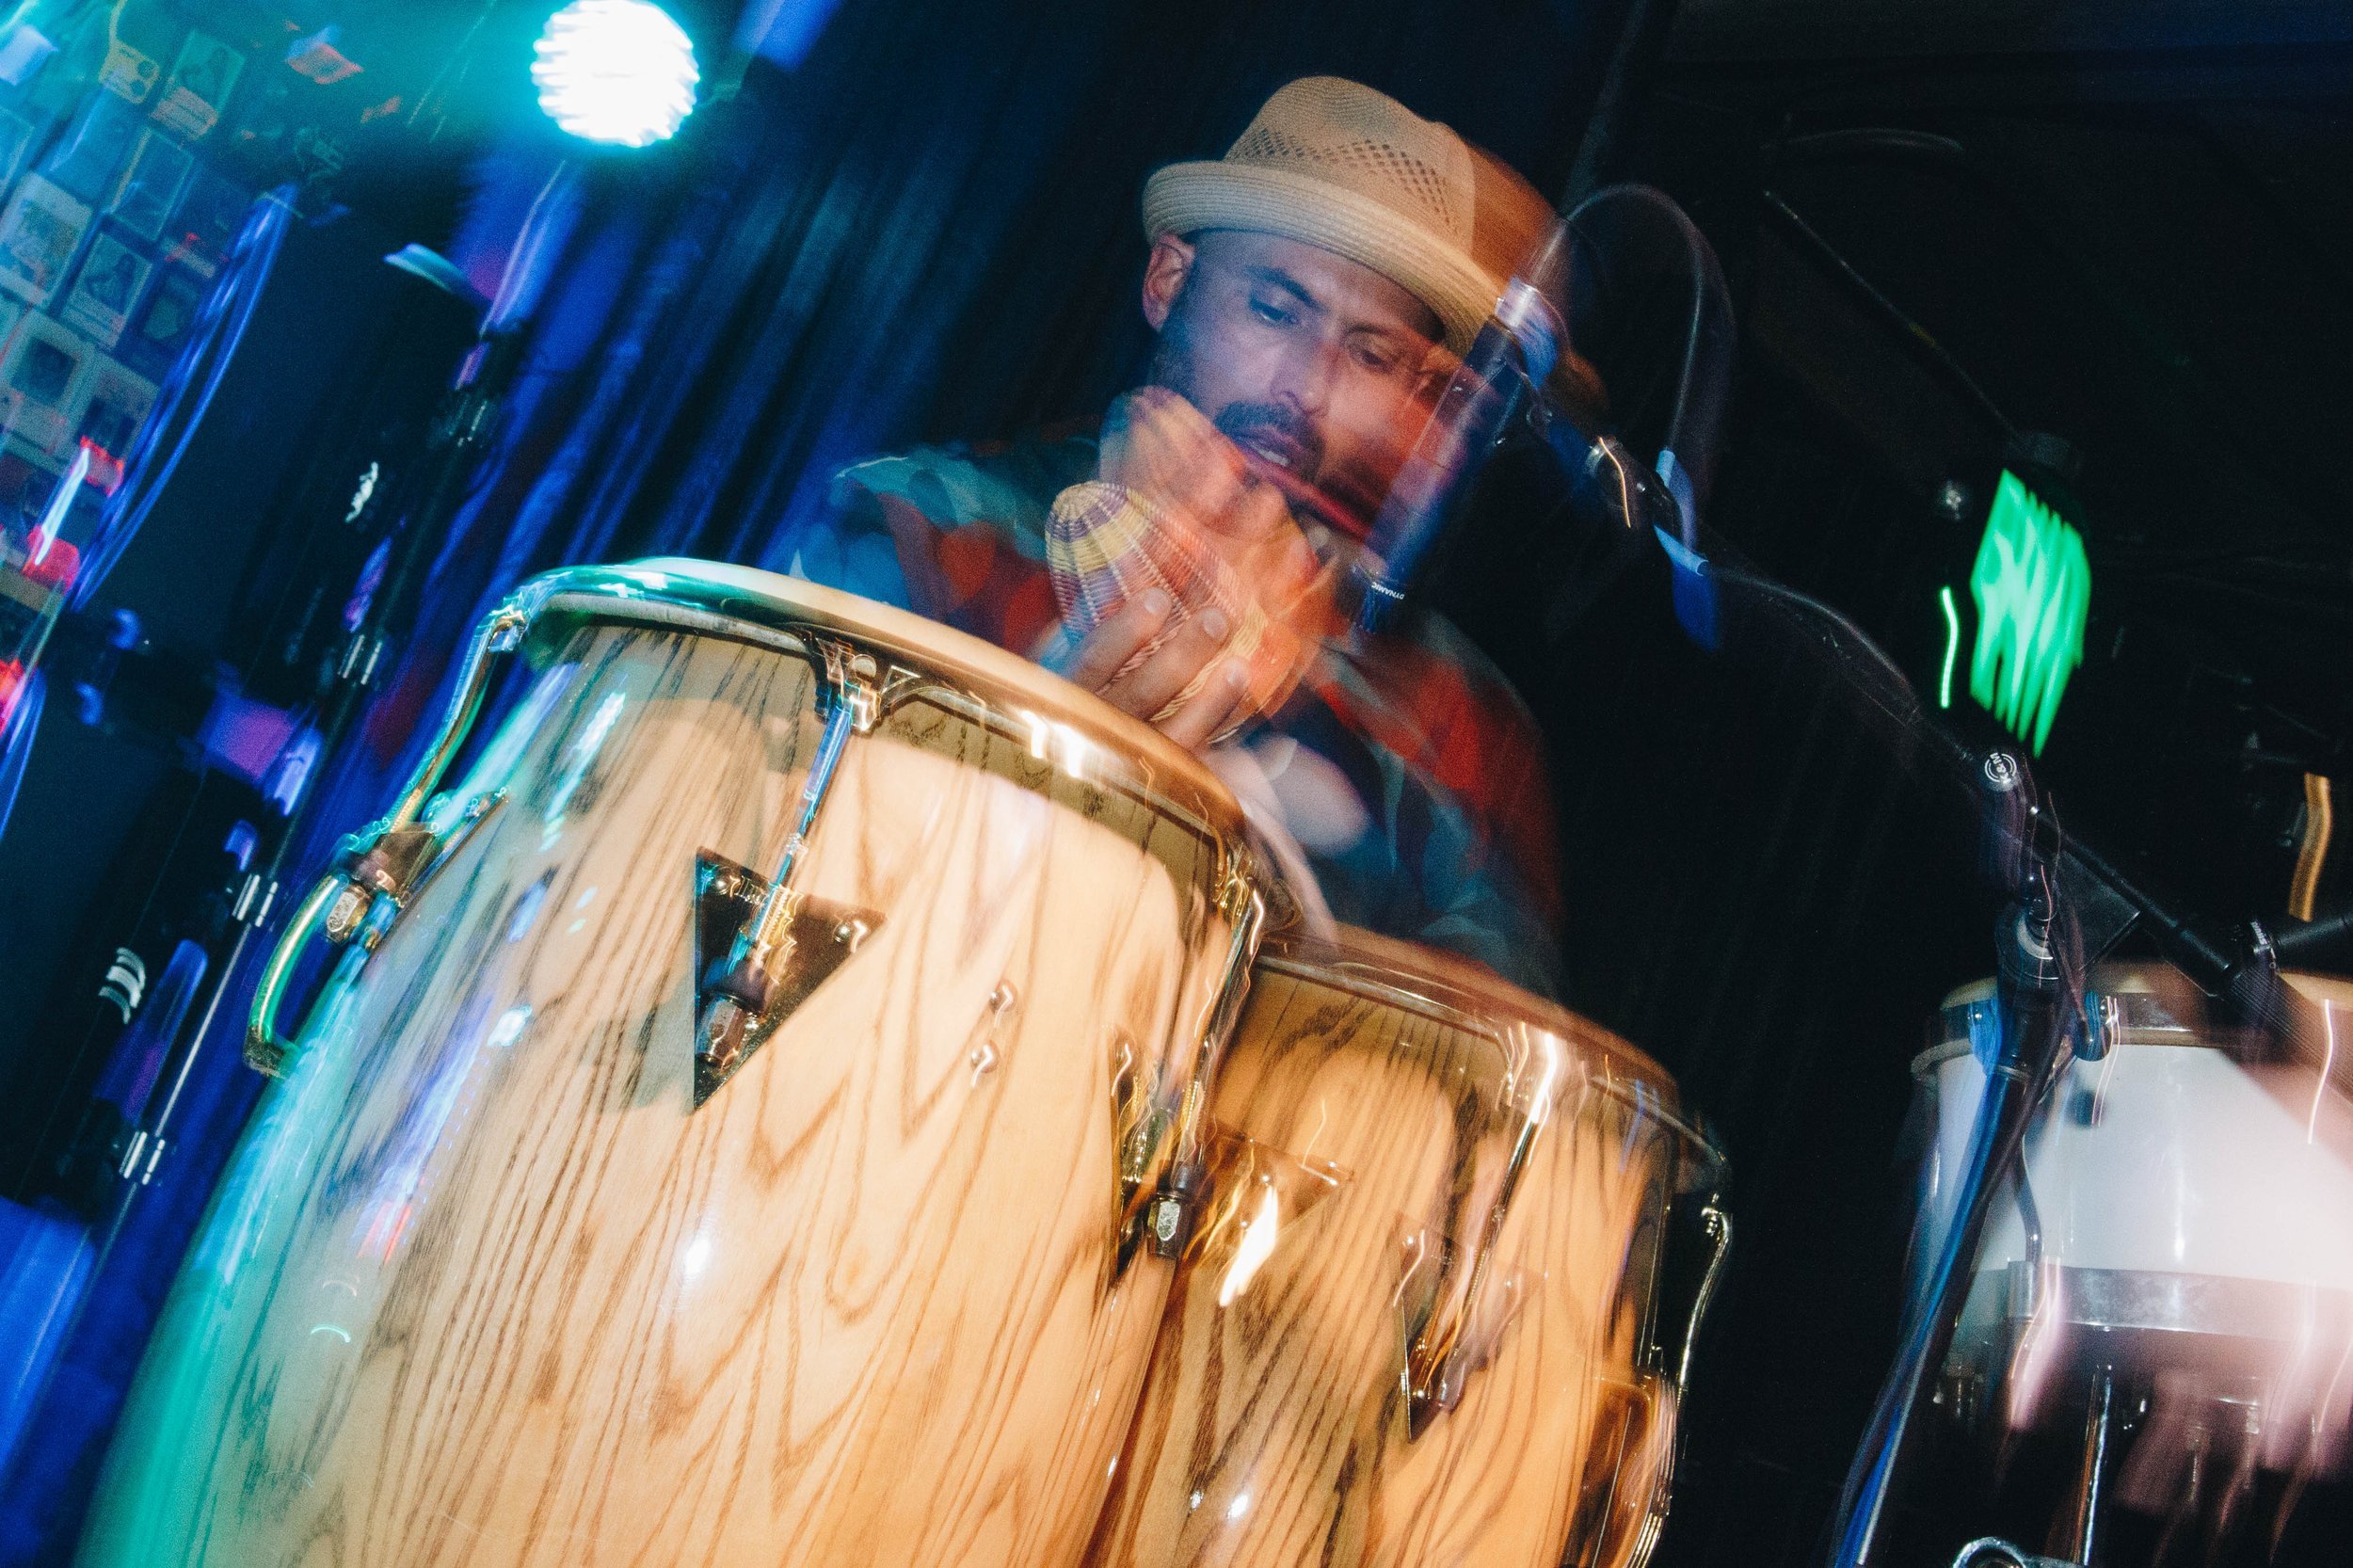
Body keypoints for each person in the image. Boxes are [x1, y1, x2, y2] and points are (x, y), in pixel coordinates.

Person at [790, 77, 1567, 995]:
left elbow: (1466, 1050)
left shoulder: (1456, 716)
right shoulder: (924, 520)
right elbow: (778, 885)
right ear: (1168, 282)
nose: (1306, 389)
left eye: (1371, 354)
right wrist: (1051, 752)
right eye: (1274, 310)